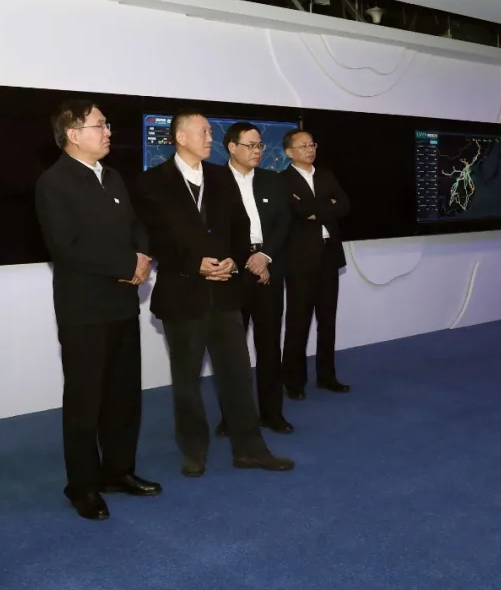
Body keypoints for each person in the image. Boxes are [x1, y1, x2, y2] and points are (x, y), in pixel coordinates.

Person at [131, 110, 294, 477]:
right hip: (182, 295)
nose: (210, 138)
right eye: (203, 132)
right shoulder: (151, 182)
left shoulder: (221, 178)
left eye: (209, 132)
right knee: (187, 381)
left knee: (237, 376)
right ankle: (194, 451)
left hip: (225, 294)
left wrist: (234, 260)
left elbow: (241, 227)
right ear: (181, 138)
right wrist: (194, 264)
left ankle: (250, 449)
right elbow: (151, 236)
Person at [34, 99, 160, 522]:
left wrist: (142, 256)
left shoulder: (113, 176)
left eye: (107, 125)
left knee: (123, 397)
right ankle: (82, 486)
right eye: (100, 125)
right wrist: (127, 265)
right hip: (84, 309)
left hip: (122, 304)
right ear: (73, 134)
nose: (108, 132)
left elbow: (136, 225)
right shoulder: (54, 183)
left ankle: (118, 471)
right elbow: (66, 247)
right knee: (85, 402)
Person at [212, 122, 294, 435]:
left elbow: (283, 223)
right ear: (231, 147)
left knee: (269, 345)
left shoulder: (273, 180)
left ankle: (272, 413)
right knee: (231, 351)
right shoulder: (214, 181)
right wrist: (240, 259)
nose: (257, 151)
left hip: (267, 269)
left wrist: (265, 256)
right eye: (250, 145)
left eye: (260, 145)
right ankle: (232, 417)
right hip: (231, 272)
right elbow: (211, 228)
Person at [280, 129, 351, 400]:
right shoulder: (282, 180)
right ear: (289, 152)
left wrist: (315, 209)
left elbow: (344, 205)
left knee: (327, 321)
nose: (310, 150)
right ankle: (293, 381)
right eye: (303, 146)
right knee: (298, 322)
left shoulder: (325, 175)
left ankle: (327, 376)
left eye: (312, 145)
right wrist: (325, 206)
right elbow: (300, 211)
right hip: (299, 260)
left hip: (328, 256)